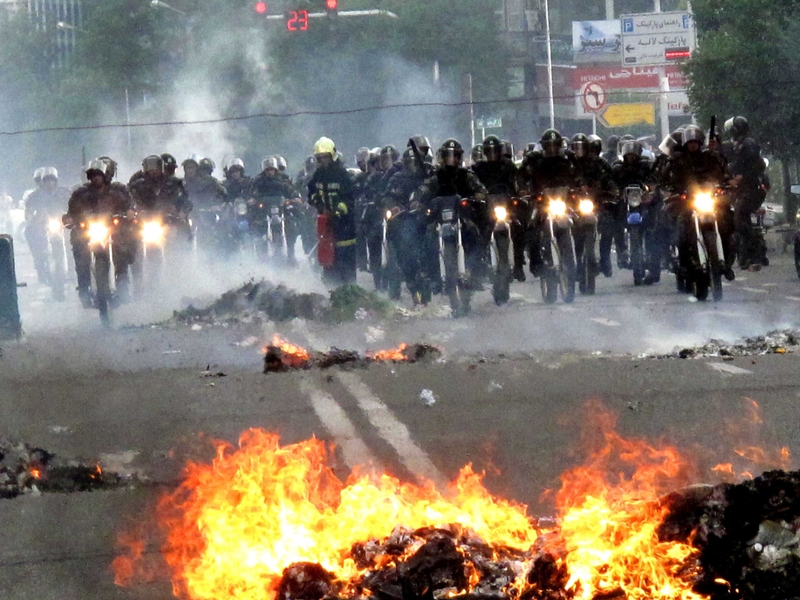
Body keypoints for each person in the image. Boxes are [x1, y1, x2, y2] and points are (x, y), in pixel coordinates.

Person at [416, 138, 488, 296]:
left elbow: (481, 190)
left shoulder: (466, 175)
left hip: (462, 217)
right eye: (448, 155)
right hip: (439, 219)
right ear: (442, 157)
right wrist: (418, 201)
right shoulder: (435, 176)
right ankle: (433, 276)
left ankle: (476, 272)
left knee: (475, 234)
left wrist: (478, 196)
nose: (452, 159)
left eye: (455, 155)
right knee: (428, 238)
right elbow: (423, 191)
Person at [64, 161, 133, 307]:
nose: (96, 178)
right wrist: (69, 219)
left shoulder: (117, 191)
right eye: (93, 176)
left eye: (98, 175)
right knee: (81, 254)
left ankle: (123, 287)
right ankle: (84, 289)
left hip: (113, 230)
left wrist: (130, 212)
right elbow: (72, 212)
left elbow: (129, 205)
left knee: (122, 250)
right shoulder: (81, 194)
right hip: (90, 231)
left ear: (105, 176)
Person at [471, 135, 526, 281]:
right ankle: (479, 266)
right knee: (480, 231)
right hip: (488, 206)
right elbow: (472, 183)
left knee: (519, 228)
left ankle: (518, 264)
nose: (492, 154)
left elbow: (518, 180)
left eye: (495, 150)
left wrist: (521, 191)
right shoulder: (478, 168)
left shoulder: (508, 165)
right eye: (489, 151)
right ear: (485, 152)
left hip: (507, 204)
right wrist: (477, 195)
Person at [307, 137, 357, 285]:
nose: (322, 160)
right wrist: (318, 204)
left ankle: (349, 289)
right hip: (326, 224)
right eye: (319, 158)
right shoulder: (318, 175)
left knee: (345, 260)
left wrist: (337, 213)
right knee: (328, 259)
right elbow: (312, 193)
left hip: (344, 225)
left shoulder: (342, 175)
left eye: (325, 157)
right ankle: (331, 289)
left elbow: (350, 199)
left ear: (332, 155)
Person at [724, 116, 768, 271]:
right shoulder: (738, 145)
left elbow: (751, 166)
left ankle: (755, 253)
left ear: (736, 130)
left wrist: (740, 177)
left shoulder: (748, 144)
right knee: (736, 218)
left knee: (740, 219)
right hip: (744, 188)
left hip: (752, 189)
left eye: (732, 130)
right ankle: (745, 255)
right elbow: (733, 165)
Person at [24, 167, 71, 286]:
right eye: (46, 180)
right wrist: (33, 217)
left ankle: (73, 271)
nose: (49, 183)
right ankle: (41, 264)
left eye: (52, 180)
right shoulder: (34, 196)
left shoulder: (64, 192)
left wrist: (71, 215)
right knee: (32, 235)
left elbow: (73, 206)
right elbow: (28, 212)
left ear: (56, 181)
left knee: (77, 242)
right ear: (42, 182)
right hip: (42, 227)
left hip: (63, 225)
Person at [251, 156, 302, 263]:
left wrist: (295, 198)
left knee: (291, 225)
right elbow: (252, 193)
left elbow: (291, 190)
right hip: (264, 211)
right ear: (264, 171)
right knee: (257, 225)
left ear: (275, 170)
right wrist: (253, 200)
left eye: (272, 169)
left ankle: (291, 254)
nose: (270, 172)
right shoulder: (259, 182)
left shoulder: (282, 181)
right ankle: (261, 256)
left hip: (282, 210)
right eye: (268, 170)